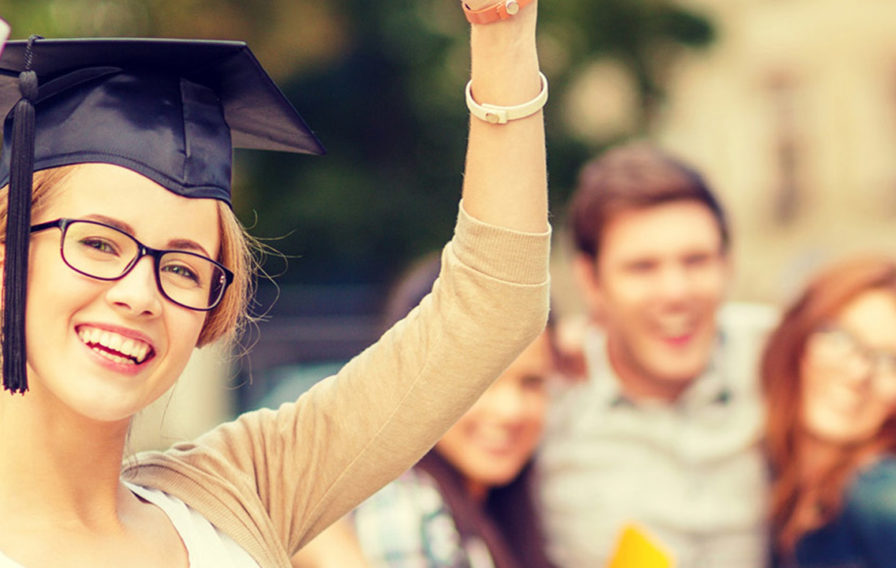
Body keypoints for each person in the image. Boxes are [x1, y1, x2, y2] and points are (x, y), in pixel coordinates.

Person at [0, 1, 550, 566]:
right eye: (98, 244)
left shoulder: (237, 496)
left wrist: (502, 32)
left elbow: (493, 303)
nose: (139, 295)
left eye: (183, 269)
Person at [537, 144, 777, 568]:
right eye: (642, 267)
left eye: (696, 260)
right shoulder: (542, 404)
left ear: (727, 264)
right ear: (591, 281)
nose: (676, 292)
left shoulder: (780, 357)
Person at [289, 256, 555, 568]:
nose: (510, 409)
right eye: (482, 380)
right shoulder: (402, 505)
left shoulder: (496, 507)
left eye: (532, 382)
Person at [760, 256, 896, 567]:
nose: (857, 373)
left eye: (892, 361)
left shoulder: (888, 499)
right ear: (800, 333)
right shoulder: (765, 470)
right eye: (839, 337)